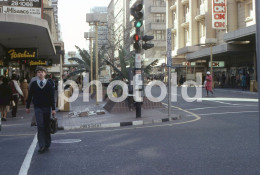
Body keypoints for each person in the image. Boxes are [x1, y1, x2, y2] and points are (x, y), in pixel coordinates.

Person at [26, 66, 56, 154]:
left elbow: (52, 97)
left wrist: (53, 109)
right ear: (36, 74)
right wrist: (27, 107)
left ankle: (47, 143)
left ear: (45, 73)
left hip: (47, 108)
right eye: (39, 72)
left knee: (46, 125)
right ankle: (41, 145)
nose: (40, 73)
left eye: (42, 72)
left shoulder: (49, 83)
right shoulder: (34, 84)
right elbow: (30, 96)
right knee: (40, 126)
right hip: (38, 108)